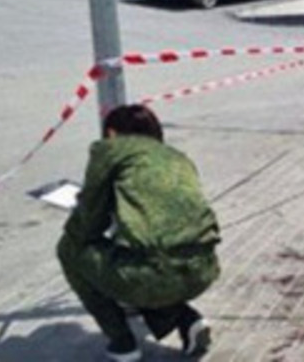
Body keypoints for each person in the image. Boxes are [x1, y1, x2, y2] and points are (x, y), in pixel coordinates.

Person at [58, 105, 221, 361]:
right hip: (203, 269)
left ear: (111, 133)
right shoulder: (176, 156)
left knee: (70, 249)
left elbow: (89, 225)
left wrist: (82, 211)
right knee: (143, 257)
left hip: (156, 273)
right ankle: (186, 319)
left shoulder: (111, 151)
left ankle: (123, 343)